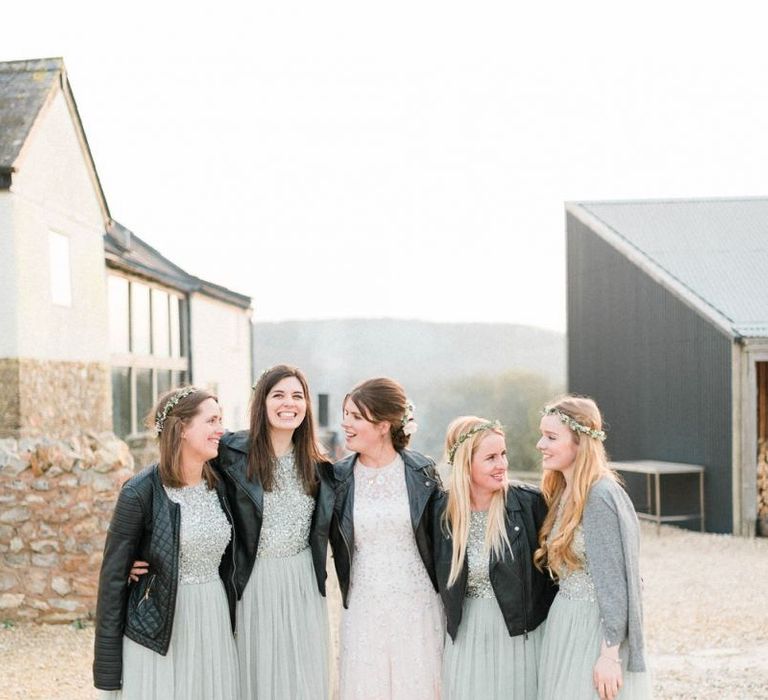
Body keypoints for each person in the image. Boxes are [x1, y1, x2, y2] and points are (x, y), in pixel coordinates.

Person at [93, 387, 239, 700]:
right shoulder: (139, 492)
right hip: (160, 626)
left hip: (213, 618)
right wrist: (107, 671)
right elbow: (112, 582)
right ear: (183, 428)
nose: (221, 430)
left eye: (221, 420)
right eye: (211, 421)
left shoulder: (223, 485)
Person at [214, 365, 334, 698]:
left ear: (307, 405)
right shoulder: (231, 453)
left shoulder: (320, 466)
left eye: (297, 396)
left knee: (301, 677)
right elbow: (182, 486)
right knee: (256, 674)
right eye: (278, 395)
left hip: (303, 584)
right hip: (253, 581)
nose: (288, 403)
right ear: (262, 402)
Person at [331, 377, 444, 700]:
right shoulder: (337, 478)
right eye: (345, 414)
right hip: (364, 605)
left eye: (355, 416)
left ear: (383, 426)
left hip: (417, 604)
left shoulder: (422, 472)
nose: (346, 423)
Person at [534, 395, 651, 700]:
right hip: (566, 623)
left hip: (593, 629)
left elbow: (617, 582)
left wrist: (609, 655)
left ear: (580, 443)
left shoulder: (600, 495)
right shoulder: (563, 490)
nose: (540, 445)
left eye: (550, 437)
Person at [434, 416, 556, 699]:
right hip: (466, 634)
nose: (502, 464)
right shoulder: (442, 511)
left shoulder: (529, 503)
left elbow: (554, 574)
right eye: (490, 457)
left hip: (519, 634)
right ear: (466, 462)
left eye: (503, 454)